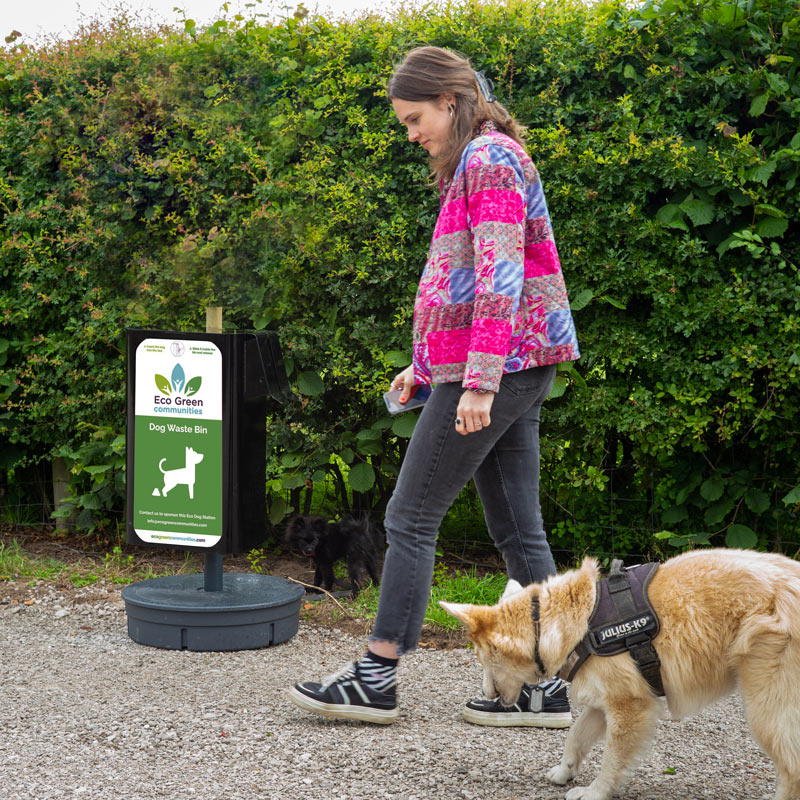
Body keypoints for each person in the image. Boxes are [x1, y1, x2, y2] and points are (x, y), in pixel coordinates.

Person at [289, 46, 580, 728]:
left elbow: (503, 279)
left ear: (450, 101)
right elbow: (463, 282)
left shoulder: (490, 159)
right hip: (511, 366)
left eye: (416, 119)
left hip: (498, 369)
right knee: (517, 529)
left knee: (408, 518)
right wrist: (425, 369)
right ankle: (548, 687)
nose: (412, 133)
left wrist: (475, 383)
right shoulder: (479, 160)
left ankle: (376, 675)